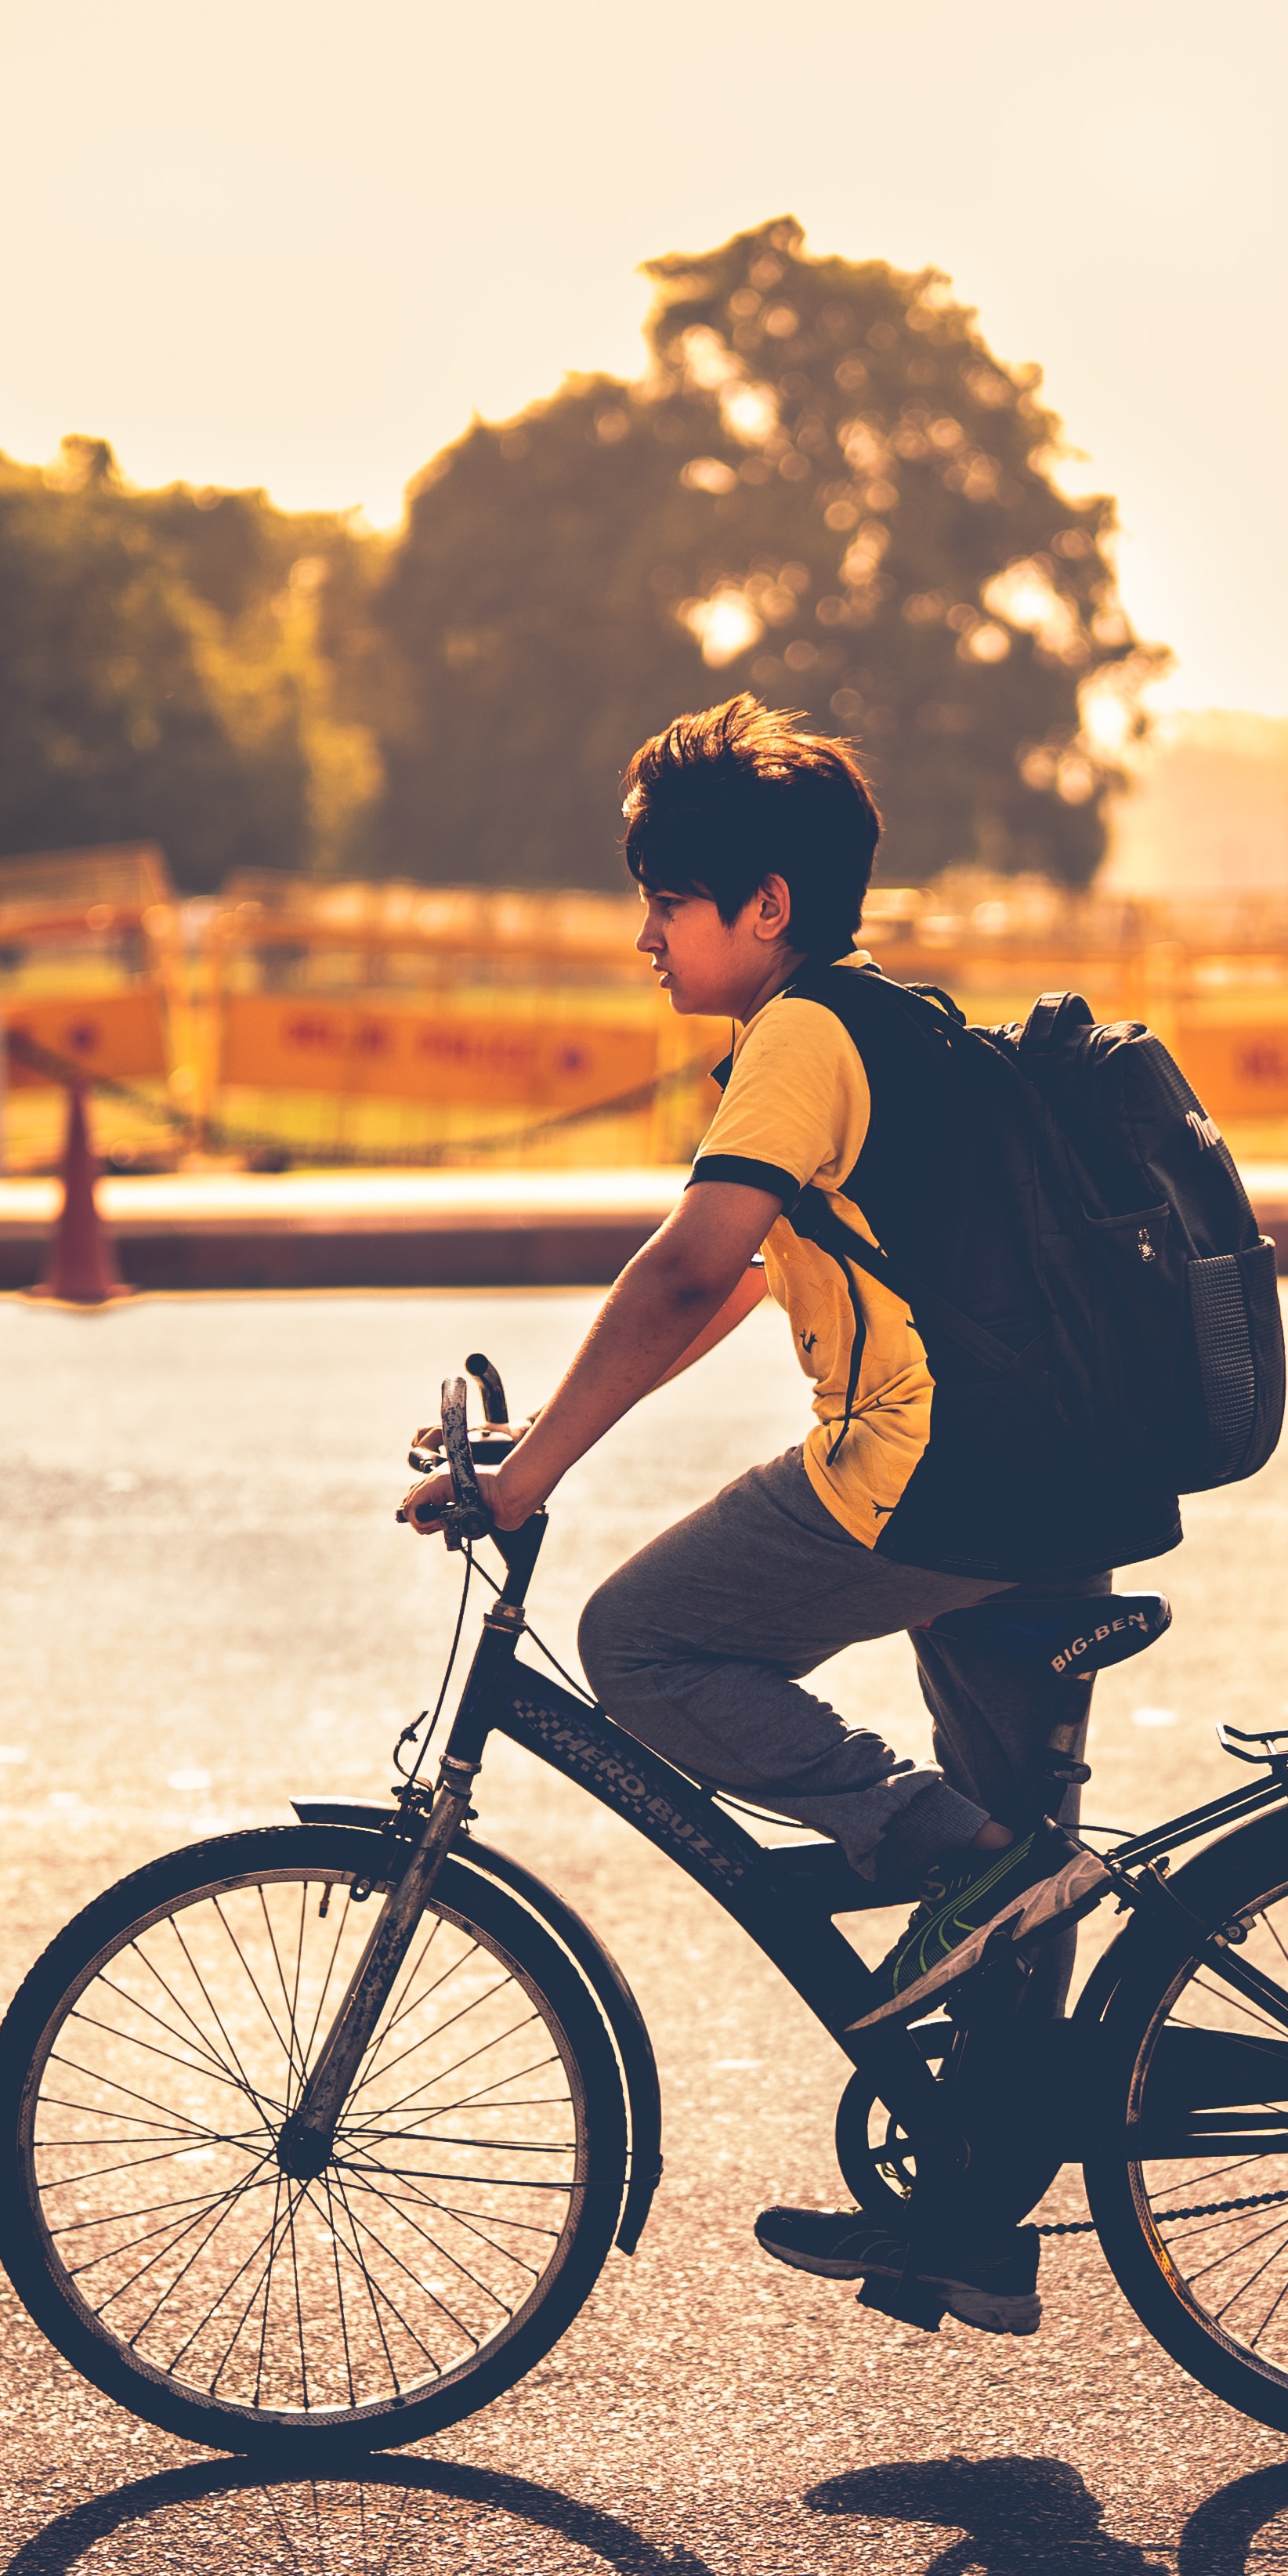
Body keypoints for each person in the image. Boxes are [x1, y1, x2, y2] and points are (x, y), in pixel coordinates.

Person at [394, 694, 1181, 2336]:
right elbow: (736, 1290)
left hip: (937, 1475)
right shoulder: (888, 1027)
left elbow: (687, 1256)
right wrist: (548, 1432)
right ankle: (967, 2214)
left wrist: (527, 1480)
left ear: (763, 905)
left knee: (640, 1636)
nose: (642, 937)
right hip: (1044, 1483)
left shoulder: (803, 1038)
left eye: (667, 902)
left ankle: (954, 1857)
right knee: (1018, 1859)